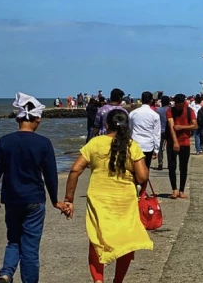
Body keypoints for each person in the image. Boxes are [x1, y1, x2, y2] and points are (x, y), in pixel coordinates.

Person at [63, 110, 153, 283]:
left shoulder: (95, 143)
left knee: (97, 241)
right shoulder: (131, 146)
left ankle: (98, 280)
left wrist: (69, 199)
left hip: (99, 199)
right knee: (126, 241)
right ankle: (117, 281)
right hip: (125, 202)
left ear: (106, 125)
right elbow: (142, 177)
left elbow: (75, 170)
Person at [0, 93, 64, 283]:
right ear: (37, 119)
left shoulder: (5, 141)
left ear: (18, 118)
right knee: (29, 248)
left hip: (11, 199)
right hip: (34, 200)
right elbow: (50, 175)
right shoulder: (43, 143)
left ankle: (5, 273)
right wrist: (55, 200)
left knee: (13, 240)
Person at [167, 94, 197, 199]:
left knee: (183, 168)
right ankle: (174, 189)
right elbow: (171, 127)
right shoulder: (170, 110)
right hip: (172, 143)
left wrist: (182, 127)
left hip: (185, 142)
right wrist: (175, 142)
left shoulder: (189, 111)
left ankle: (181, 190)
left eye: (180, 105)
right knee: (171, 167)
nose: (179, 107)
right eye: (177, 105)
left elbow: (195, 125)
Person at [129, 91, 161, 171]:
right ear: (151, 100)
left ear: (141, 100)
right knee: (145, 169)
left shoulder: (133, 113)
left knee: (134, 170)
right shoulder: (155, 115)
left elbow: (129, 129)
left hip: (135, 145)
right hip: (148, 146)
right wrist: (156, 149)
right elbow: (156, 133)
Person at [155, 95, 171, 171]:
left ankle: (160, 162)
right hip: (169, 131)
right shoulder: (171, 110)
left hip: (160, 131)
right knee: (169, 148)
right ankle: (170, 163)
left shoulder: (158, 110)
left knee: (160, 148)